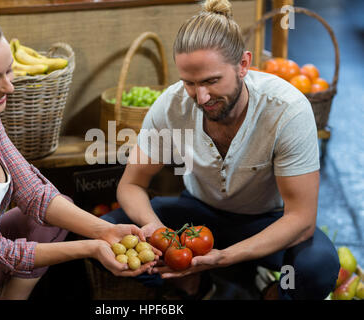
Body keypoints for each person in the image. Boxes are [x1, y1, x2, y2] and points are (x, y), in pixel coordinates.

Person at [102, 0, 340, 300]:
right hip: (196, 216)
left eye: (212, 81)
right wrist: (158, 235)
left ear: (243, 64)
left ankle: (270, 292)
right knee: (107, 234)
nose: (201, 97)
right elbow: (132, 184)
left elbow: (301, 220)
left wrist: (225, 256)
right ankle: (195, 287)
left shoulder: (288, 109)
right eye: (189, 83)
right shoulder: (170, 105)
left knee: (317, 267)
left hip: (267, 220)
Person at [0, 10, 156, 300]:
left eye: (9, 71)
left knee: (53, 212)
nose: (10, 86)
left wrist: (104, 231)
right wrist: (90, 247)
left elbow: (35, 194)